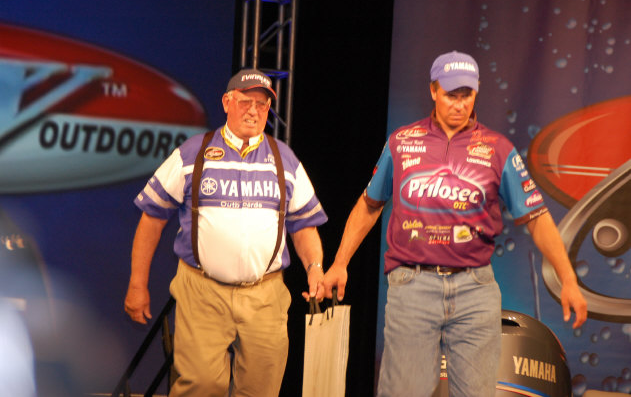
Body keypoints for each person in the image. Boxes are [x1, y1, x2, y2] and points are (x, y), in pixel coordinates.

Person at [322, 51, 587, 397]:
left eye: (467, 95)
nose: (460, 104)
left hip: (475, 290)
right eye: (451, 94)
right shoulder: (401, 142)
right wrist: (340, 263)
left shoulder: (497, 149)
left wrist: (568, 279)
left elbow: (536, 217)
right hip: (412, 286)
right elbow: (369, 205)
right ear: (433, 91)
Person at [124, 68, 328, 397]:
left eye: (262, 105)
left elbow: (303, 224)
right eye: (246, 101)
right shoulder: (193, 153)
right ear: (226, 102)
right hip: (202, 291)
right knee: (200, 386)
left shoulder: (284, 159)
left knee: (261, 390)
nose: (253, 111)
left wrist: (315, 268)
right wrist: (137, 284)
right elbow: (152, 217)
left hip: (265, 296)